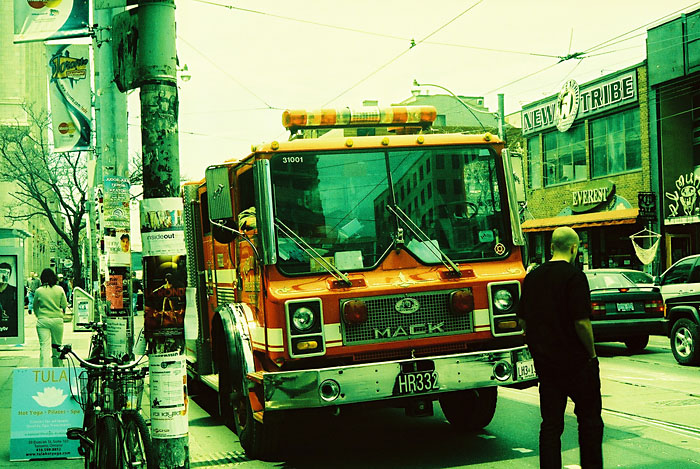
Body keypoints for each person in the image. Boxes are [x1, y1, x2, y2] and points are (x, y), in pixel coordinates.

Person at [516, 226, 603, 469]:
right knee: (590, 422)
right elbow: (582, 323)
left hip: (547, 365)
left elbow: (522, 320)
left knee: (551, 425)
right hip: (577, 364)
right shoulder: (574, 277)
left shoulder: (532, 277)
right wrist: (592, 354)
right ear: (574, 248)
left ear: (552, 246)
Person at [34, 268, 68, 367]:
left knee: (44, 346)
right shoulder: (59, 289)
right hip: (57, 320)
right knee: (57, 345)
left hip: (43, 320)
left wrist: (38, 315)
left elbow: (35, 306)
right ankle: (57, 367)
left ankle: (44, 369)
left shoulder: (39, 291)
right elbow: (64, 304)